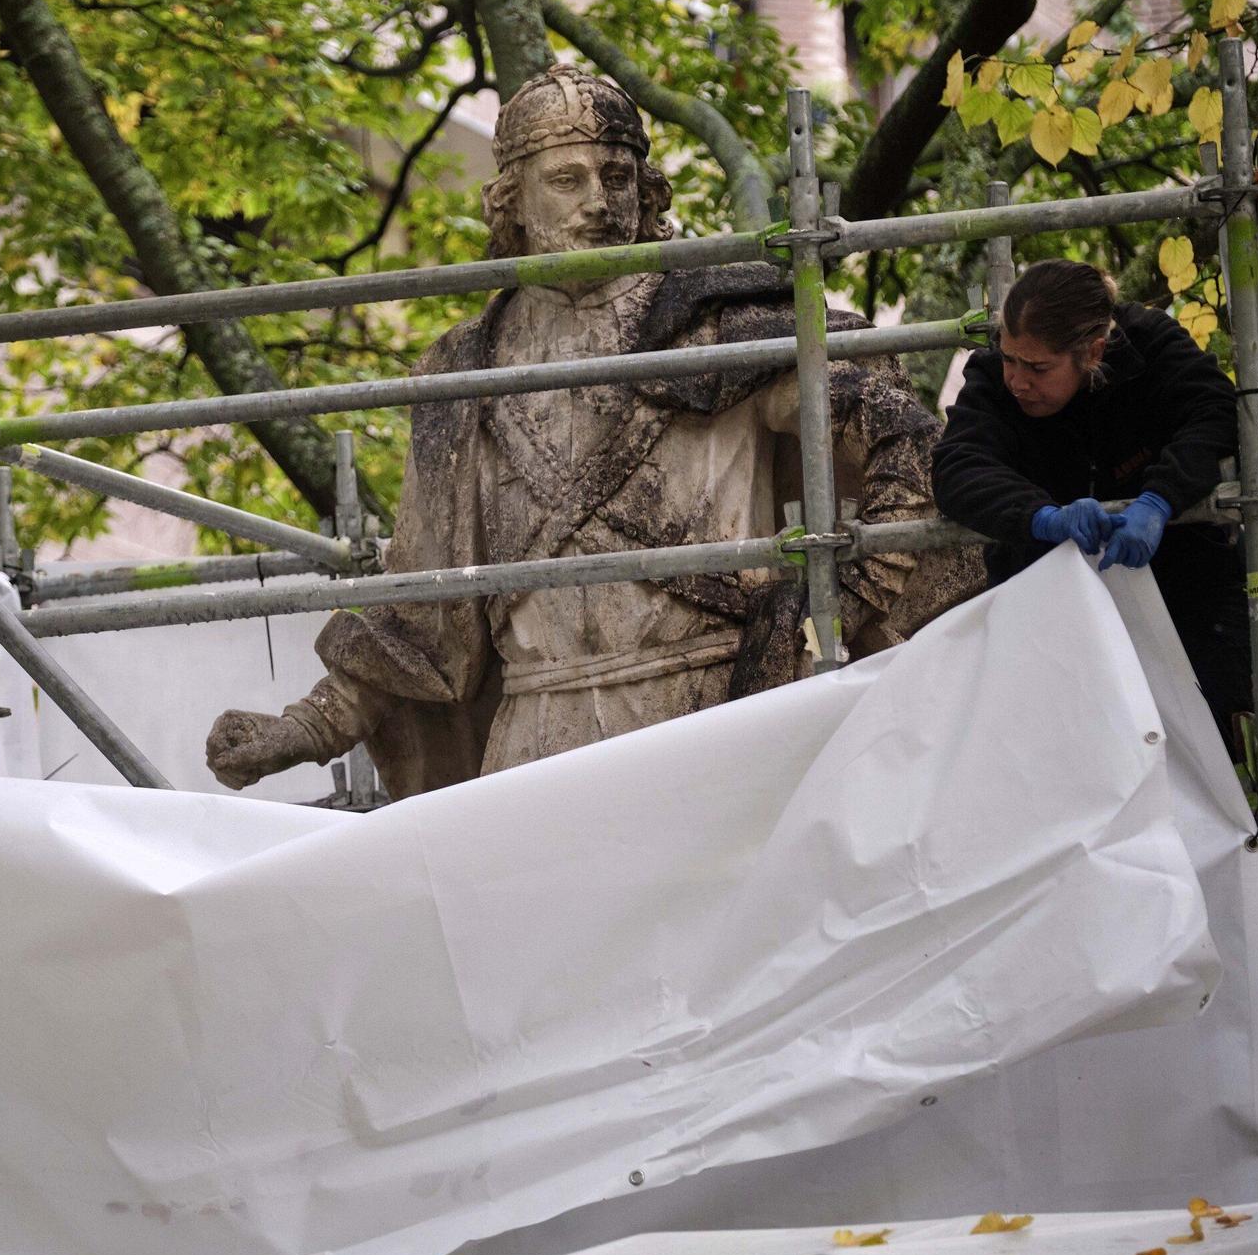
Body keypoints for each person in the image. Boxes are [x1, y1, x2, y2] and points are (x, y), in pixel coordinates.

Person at [205, 64, 970, 800]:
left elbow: (902, 439)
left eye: (617, 177)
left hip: (712, 707)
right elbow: (420, 609)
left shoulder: (725, 324)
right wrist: (306, 726)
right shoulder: (463, 368)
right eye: (566, 180)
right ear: (514, 202)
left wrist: (846, 593)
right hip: (538, 740)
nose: (598, 201)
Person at [933, 258, 1248, 746]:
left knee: (1206, 758)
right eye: (1010, 358)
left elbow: (1218, 411)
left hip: (1187, 599)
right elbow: (958, 466)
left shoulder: (1151, 343)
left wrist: (1161, 498)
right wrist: (1040, 516)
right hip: (1048, 610)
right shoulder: (994, 379)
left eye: (1038, 367)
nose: (1017, 380)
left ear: (1095, 351)